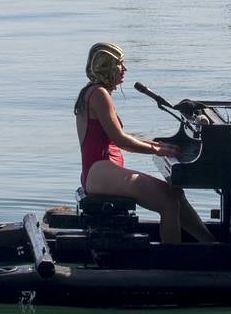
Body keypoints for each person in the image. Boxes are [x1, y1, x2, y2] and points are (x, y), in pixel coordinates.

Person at [75, 42, 216, 244]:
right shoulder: (99, 94)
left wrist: (156, 145)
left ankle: (209, 242)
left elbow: (119, 136)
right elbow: (121, 140)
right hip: (100, 172)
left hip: (99, 171)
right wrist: (155, 149)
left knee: (175, 193)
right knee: (168, 202)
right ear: (106, 66)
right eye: (119, 64)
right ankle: (174, 264)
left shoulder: (92, 92)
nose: (124, 69)